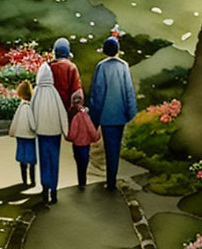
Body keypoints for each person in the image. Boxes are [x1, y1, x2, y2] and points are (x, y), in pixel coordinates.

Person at [89, 37, 137, 191]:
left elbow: (97, 94)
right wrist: (130, 113)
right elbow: (129, 92)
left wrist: (94, 119)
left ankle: (110, 181)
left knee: (109, 148)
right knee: (115, 148)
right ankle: (112, 179)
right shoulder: (124, 66)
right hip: (120, 114)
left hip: (105, 116)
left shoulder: (101, 67)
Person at [30, 62, 69, 205]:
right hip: (55, 133)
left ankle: (45, 189)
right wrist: (66, 132)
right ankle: (54, 190)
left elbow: (31, 113)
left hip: (41, 133)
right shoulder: (55, 93)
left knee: (44, 161)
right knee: (54, 161)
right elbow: (62, 114)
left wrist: (32, 129)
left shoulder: (37, 93)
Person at [66, 91, 100, 190]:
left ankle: (80, 181)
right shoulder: (86, 114)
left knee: (78, 162)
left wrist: (68, 137)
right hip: (86, 144)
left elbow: (73, 133)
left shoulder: (74, 115)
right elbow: (90, 128)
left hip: (77, 144)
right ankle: (83, 181)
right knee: (84, 163)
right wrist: (95, 137)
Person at [8, 79, 37, 187]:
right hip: (30, 136)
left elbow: (15, 121)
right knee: (31, 160)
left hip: (20, 136)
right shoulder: (29, 107)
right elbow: (33, 125)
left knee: (22, 159)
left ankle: (24, 180)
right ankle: (32, 180)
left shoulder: (20, 107)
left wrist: (12, 132)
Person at [49, 37, 83, 113]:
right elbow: (77, 94)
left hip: (52, 109)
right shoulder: (71, 67)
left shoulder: (49, 67)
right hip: (67, 109)